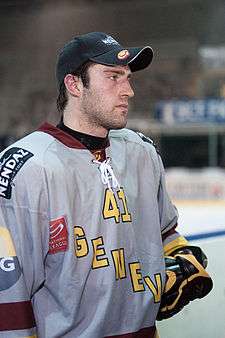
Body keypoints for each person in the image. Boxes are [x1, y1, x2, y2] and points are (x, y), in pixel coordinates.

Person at [0, 32, 212, 338]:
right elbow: (10, 292)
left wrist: (183, 254)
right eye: (113, 76)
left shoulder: (142, 153)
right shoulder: (27, 168)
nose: (128, 90)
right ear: (74, 85)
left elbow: (165, 232)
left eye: (127, 77)